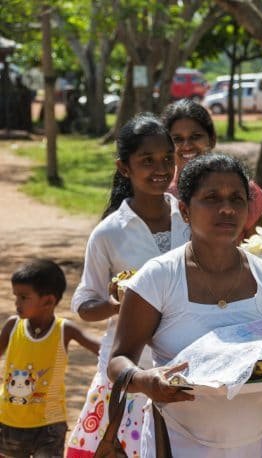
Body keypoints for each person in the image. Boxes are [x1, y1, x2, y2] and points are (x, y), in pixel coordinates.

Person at [108, 153, 262, 457]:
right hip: (177, 441)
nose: (226, 208)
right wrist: (146, 381)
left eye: (237, 198)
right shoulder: (158, 278)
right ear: (185, 210)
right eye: (211, 197)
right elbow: (118, 360)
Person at [66, 114, 188, 457]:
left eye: (167, 158)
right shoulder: (109, 233)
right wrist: (121, 301)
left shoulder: (191, 218)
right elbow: (84, 303)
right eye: (146, 161)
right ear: (124, 167)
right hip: (131, 369)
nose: (160, 168)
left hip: (185, 365)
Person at [0, 260, 100, 457]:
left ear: (48, 301)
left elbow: (102, 349)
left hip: (49, 426)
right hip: (9, 421)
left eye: (23, 297)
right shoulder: (12, 326)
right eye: (16, 297)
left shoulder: (64, 329)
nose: (17, 303)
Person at [161, 98, 262, 241]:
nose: (187, 146)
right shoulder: (161, 194)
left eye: (196, 136)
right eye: (177, 139)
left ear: (212, 139)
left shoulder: (245, 191)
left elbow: (259, 250)